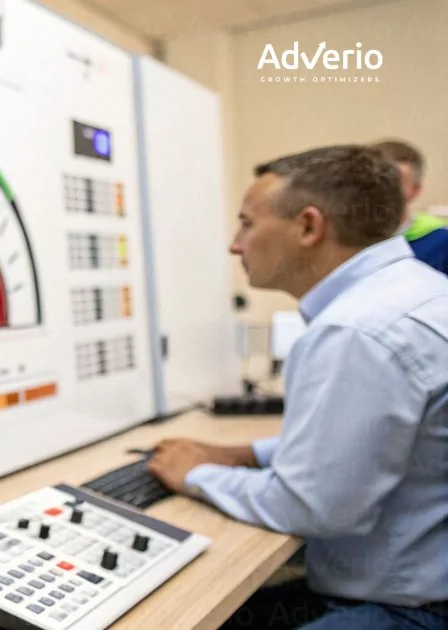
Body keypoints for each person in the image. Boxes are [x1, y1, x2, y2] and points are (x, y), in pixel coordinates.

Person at [147, 145, 448, 629]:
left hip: (409, 611)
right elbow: (372, 441)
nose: (235, 245)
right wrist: (242, 454)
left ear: (309, 227)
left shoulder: (357, 331)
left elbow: (311, 506)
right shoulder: (414, 292)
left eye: (247, 224)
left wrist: (194, 475)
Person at [370, 139, 448, 274]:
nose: (382, 189)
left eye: (395, 182)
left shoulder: (440, 242)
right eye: (373, 180)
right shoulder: (341, 238)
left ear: (415, 190)